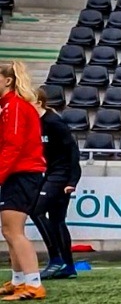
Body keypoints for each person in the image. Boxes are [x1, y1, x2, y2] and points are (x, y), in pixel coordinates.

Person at [0, 61, 49, 301]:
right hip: (20, 173)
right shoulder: (11, 106)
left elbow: (13, 145)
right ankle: (20, 280)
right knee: (10, 230)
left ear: (7, 80)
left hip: (22, 173)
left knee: (13, 230)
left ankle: (33, 284)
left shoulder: (15, 107)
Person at [34, 91, 82, 279]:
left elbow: (73, 151)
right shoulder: (36, 123)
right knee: (57, 220)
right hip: (49, 173)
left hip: (60, 175)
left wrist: (72, 180)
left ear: (38, 103)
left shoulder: (54, 122)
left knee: (36, 210)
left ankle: (56, 259)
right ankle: (69, 266)